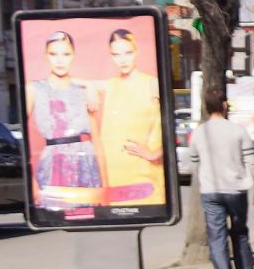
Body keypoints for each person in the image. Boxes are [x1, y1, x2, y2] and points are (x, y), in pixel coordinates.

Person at [185, 89, 254, 269]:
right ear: (224, 106)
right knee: (239, 233)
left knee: (216, 236)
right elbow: (252, 162)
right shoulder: (237, 131)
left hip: (210, 190)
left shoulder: (199, 133)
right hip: (236, 189)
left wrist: (203, 179)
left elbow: (193, 163)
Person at [26, 30, 102, 209]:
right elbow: (22, 132)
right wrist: (31, 181)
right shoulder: (34, 89)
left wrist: (102, 184)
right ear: (46, 56)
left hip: (85, 162)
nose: (60, 60)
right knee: (54, 215)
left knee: (87, 216)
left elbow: (97, 139)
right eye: (54, 54)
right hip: (53, 163)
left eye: (66, 54)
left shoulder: (83, 90)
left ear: (73, 55)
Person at [97, 28, 163, 203]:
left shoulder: (151, 84)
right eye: (116, 54)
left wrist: (155, 153)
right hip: (114, 176)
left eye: (128, 52)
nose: (123, 59)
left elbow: (170, 123)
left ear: (137, 51)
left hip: (144, 175)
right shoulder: (110, 85)